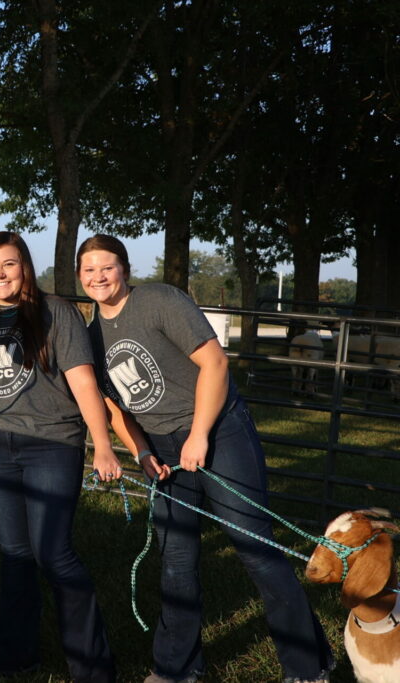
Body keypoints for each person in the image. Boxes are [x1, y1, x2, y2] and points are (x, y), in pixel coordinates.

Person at [76, 234, 334, 683]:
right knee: (175, 562)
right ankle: (176, 668)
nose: (98, 277)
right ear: (80, 277)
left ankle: (308, 667)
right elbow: (114, 407)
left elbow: (215, 364)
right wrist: (141, 451)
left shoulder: (159, 301)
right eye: (89, 270)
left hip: (218, 430)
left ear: (124, 269)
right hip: (161, 447)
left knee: (256, 550)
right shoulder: (92, 333)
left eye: (107, 267)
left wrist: (199, 436)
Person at [0, 231, 120, 682]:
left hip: (51, 444)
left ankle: (92, 666)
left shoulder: (55, 312)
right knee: (15, 553)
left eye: (8, 264)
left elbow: (84, 382)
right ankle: (16, 653)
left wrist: (101, 445)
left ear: (24, 266)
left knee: (54, 553)